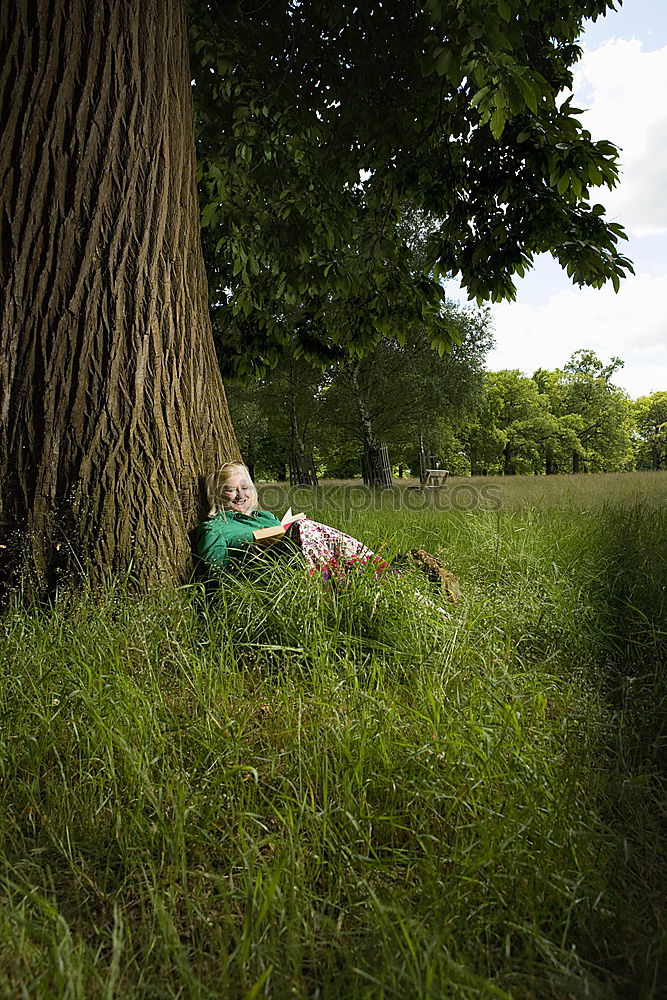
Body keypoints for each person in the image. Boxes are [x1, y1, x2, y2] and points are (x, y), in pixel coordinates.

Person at [195, 461, 397, 584]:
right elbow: (216, 573)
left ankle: (377, 573)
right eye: (231, 490)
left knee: (304, 525)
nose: (240, 495)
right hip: (263, 574)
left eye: (245, 487)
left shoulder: (265, 517)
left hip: (297, 562)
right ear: (218, 494)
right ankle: (327, 587)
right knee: (303, 528)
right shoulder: (214, 528)